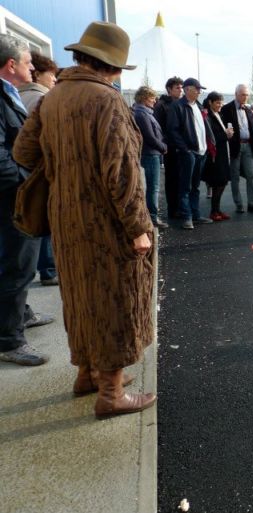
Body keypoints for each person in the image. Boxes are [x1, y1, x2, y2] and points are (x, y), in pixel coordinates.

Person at [14, 21, 157, 417]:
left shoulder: (53, 96)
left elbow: (23, 153)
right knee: (114, 299)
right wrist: (138, 227)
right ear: (112, 66)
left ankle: (87, 374)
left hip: (65, 217)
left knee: (79, 297)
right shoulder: (106, 100)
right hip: (105, 221)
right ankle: (110, 393)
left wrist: (64, 166)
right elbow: (122, 174)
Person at [0, 35, 54, 367]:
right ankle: (10, 340)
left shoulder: (10, 94)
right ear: (11, 65)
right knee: (17, 266)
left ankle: (22, 314)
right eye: (27, 61)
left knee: (22, 265)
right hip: (11, 200)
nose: (32, 66)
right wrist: (29, 183)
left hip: (14, 196)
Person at [18, 51, 59, 286]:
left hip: (23, 170)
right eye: (50, 74)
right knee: (44, 216)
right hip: (39, 169)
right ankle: (50, 268)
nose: (54, 79)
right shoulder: (41, 99)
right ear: (38, 75)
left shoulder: (17, 96)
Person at [167, 78, 214, 229]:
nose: (200, 92)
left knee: (195, 186)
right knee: (185, 186)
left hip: (201, 152)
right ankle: (187, 217)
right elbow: (172, 130)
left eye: (200, 89)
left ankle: (196, 215)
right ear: (187, 89)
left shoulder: (199, 106)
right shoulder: (177, 106)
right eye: (197, 89)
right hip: (188, 153)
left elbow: (204, 128)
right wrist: (185, 149)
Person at [221, 85, 253, 214]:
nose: (245, 97)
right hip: (235, 146)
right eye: (242, 94)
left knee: (251, 175)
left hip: (248, 146)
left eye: (247, 95)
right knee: (235, 176)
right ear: (236, 94)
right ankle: (238, 204)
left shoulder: (249, 110)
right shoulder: (227, 109)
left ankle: (252, 203)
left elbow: (251, 128)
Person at [132, 86, 168, 228]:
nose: (155, 101)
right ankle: (152, 218)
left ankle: (151, 216)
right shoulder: (142, 114)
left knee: (151, 187)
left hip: (151, 153)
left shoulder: (144, 113)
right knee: (153, 187)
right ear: (145, 98)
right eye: (153, 98)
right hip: (150, 154)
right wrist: (163, 147)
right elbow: (149, 136)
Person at [153, 76, 183, 218]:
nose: (181, 90)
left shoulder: (181, 103)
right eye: (177, 88)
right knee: (172, 179)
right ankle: (173, 209)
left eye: (181, 87)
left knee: (181, 179)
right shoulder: (162, 105)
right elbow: (158, 128)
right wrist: (166, 144)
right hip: (170, 148)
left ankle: (180, 206)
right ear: (169, 89)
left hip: (182, 147)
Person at [201, 91, 233, 221]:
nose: (220, 105)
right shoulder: (207, 116)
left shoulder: (218, 114)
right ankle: (214, 211)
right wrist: (226, 135)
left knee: (222, 182)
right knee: (218, 183)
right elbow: (210, 138)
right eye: (218, 102)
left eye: (221, 102)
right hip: (214, 155)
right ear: (210, 102)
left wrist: (228, 134)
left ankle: (217, 209)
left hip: (223, 153)